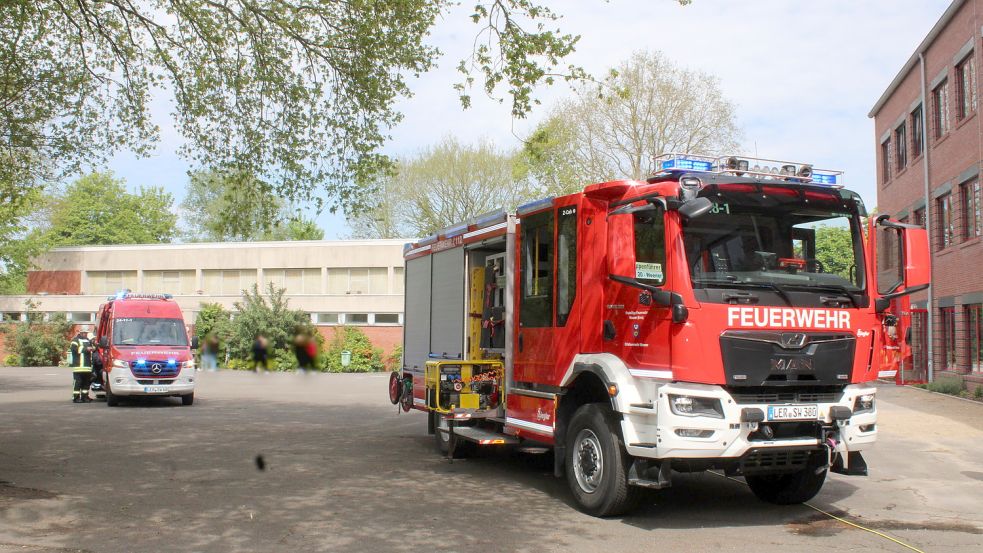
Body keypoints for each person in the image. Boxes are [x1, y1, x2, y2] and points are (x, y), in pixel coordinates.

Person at [69, 329, 94, 403]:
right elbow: (74, 349)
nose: (85, 334)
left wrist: (93, 347)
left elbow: (92, 348)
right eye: (84, 333)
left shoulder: (88, 340)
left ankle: (85, 397)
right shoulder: (75, 340)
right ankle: (75, 397)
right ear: (81, 333)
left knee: (86, 383)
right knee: (78, 383)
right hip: (78, 367)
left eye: (86, 333)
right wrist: (86, 349)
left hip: (87, 367)